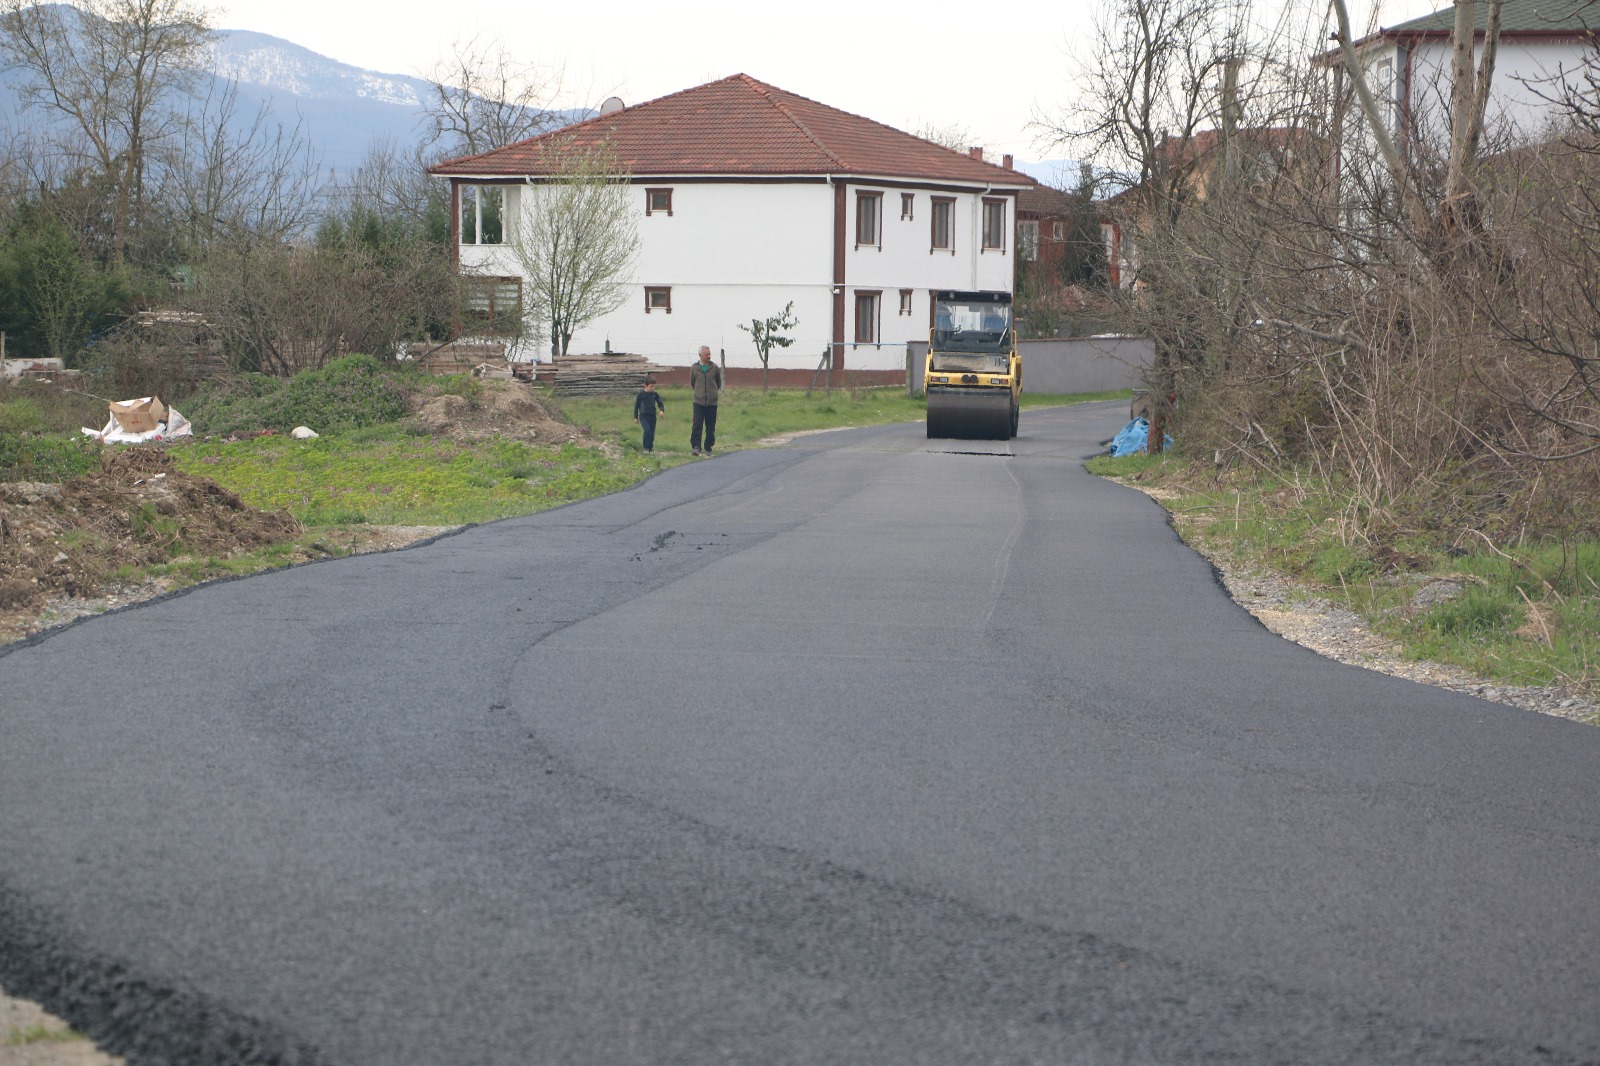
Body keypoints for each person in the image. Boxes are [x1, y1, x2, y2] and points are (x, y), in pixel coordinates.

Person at [688, 345, 722, 455]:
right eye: (706, 354)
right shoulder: (694, 368)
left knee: (711, 426)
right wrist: (699, 393)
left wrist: (713, 393)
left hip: (712, 402)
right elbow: (693, 383)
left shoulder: (715, 368)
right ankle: (696, 447)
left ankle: (708, 446)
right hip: (698, 402)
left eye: (709, 354)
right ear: (700, 355)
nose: (709, 356)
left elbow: (718, 383)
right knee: (697, 425)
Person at [632, 375, 665, 452]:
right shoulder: (641, 394)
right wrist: (635, 417)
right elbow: (636, 406)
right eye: (651, 387)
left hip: (652, 416)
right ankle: (645, 448)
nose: (652, 388)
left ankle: (650, 448)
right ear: (645, 385)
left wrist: (661, 410)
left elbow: (660, 403)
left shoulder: (655, 394)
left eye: (654, 387)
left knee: (652, 434)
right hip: (643, 416)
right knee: (647, 431)